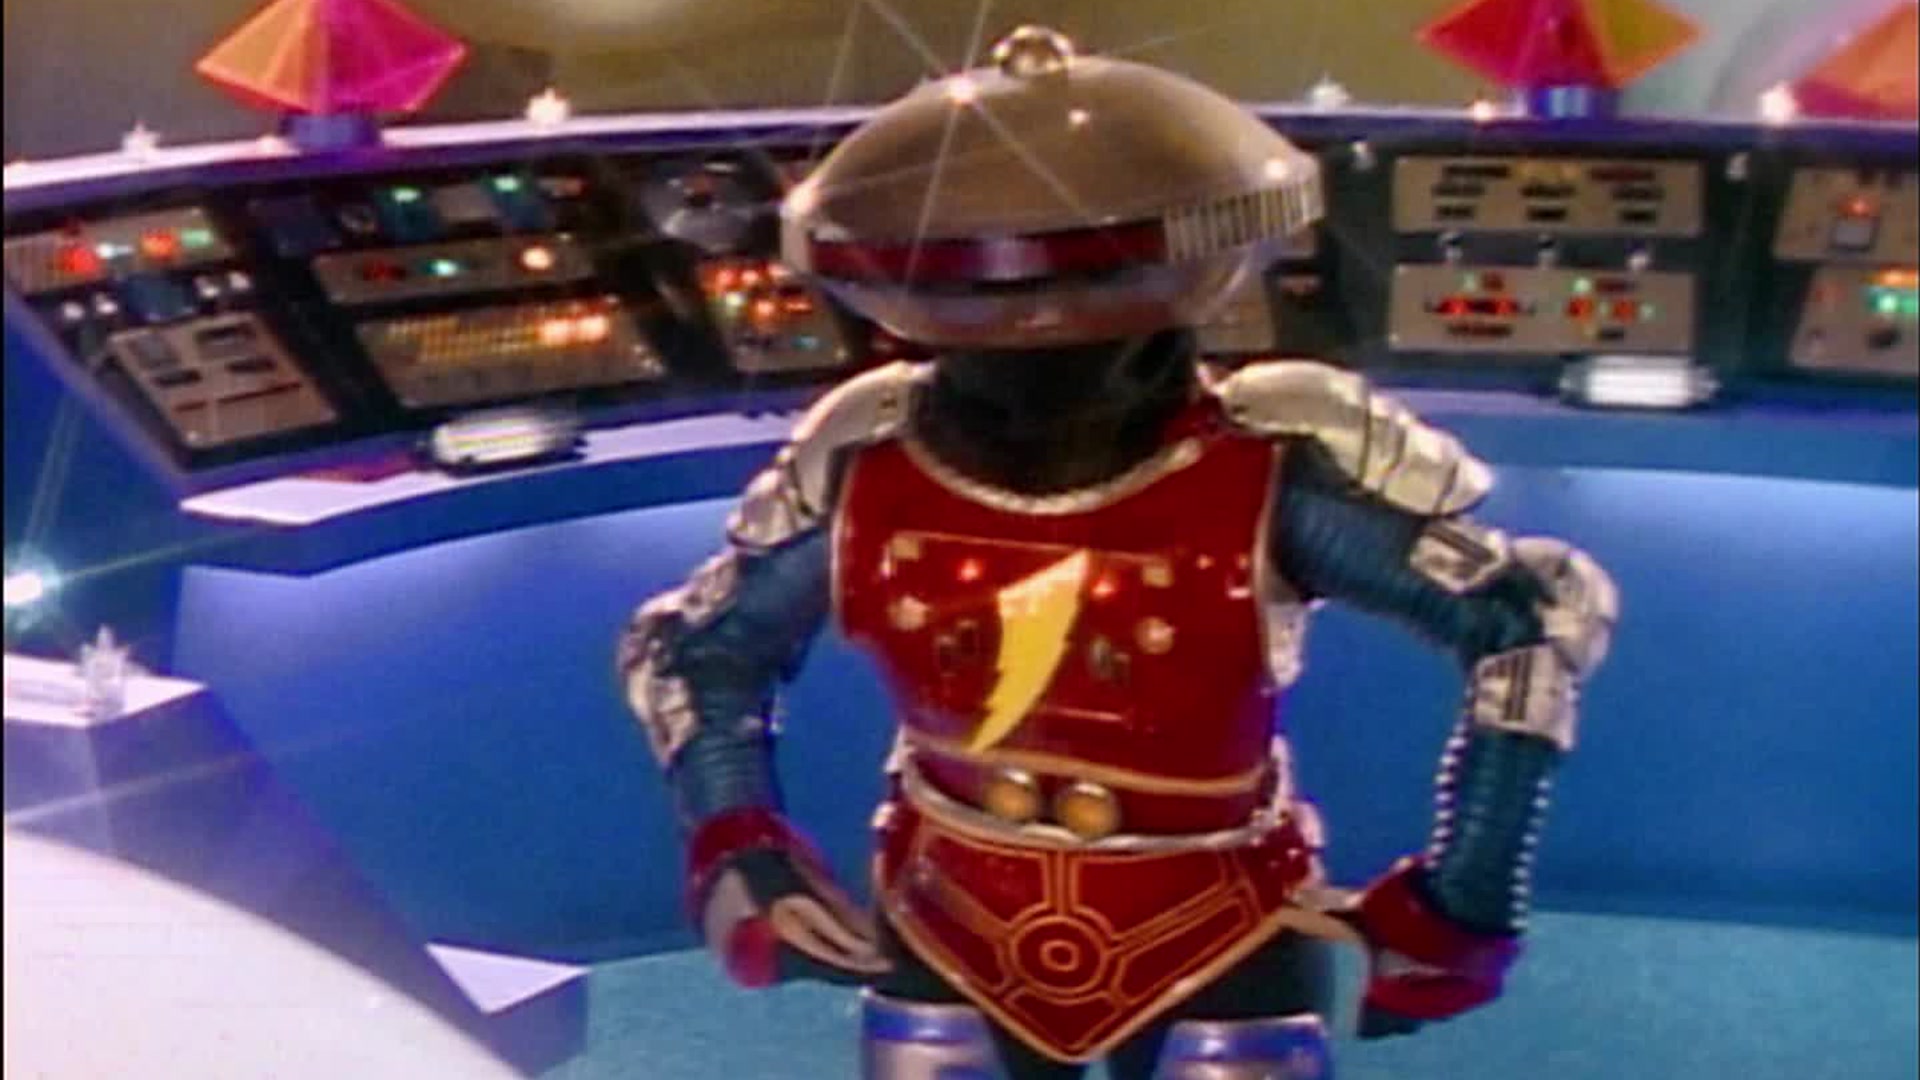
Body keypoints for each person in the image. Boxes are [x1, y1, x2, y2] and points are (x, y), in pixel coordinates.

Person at [618, 26, 1617, 1080]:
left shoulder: (1269, 470)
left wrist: (1467, 899)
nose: (1033, 322)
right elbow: (693, 652)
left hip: (1219, 917)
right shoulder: (868, 461)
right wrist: (740, 846)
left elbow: (1525, 624)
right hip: (946, 908)